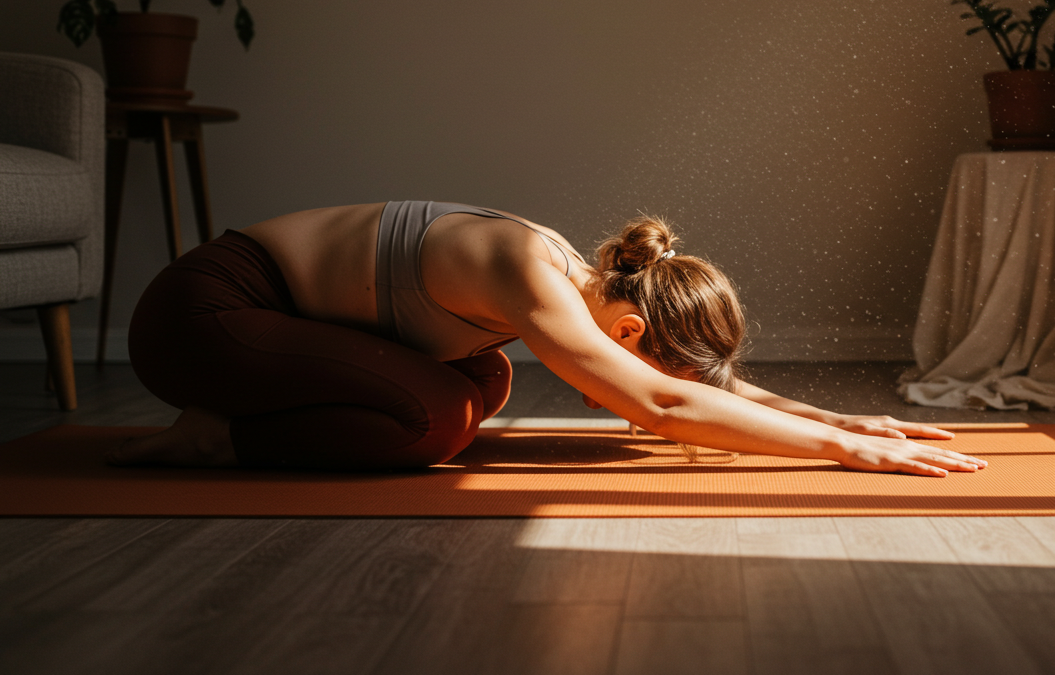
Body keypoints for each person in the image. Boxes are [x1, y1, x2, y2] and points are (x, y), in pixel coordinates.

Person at [107, 201, 988, 477]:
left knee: (482, 380)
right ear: (632, 329)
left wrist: (851, 419)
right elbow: (662, 398)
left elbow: (689, 385)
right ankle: (214, 432)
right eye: (632, 354)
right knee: (435, 417)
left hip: (274, 322)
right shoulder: (529, 275)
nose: (618, 385)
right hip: (201, 320)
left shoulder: (581, 281)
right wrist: (840, 451)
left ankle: (225, 423)